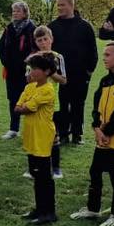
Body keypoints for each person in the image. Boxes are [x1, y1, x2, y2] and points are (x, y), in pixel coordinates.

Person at [70, 42, 114, 226]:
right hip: (102, 138)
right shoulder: (105, 81)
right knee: (95, 171)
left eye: (108, 55)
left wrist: (107, 131)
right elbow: (96, 107)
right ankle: (93, 208)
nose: (104, 58)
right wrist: (97, 127)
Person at [48, 0, 97, 146]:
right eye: (58, 5)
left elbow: (93, 50)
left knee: (78, 105)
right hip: (59, 75)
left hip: (80, 74)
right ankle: (63, 134)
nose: (59, 8)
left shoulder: (85, 26)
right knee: (62, 105)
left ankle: (77, 134)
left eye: (62, 5)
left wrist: (89, 71)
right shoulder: (52, 27)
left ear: (71, 5)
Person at [15, 52, 59, 225]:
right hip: (31, 135)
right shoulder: (30, 87)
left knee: (44, 176)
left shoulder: (48, 89)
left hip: (42, 136)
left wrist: (23, 107)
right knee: (35, 173)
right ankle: (40, 208)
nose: (31, 72)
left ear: (47, 71)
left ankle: (49, 212)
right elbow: (17, 107)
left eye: (35, 68)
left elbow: (26, 108)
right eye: (30, 68)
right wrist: (23, 107)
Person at [31, 24, 67, 179]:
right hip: (35, 103)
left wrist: (49, 71)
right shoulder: (33, 58)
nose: (43, 43)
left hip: (52, 104)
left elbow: (63, 80)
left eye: (45, 39)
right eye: (39, 40)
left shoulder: (58, 57)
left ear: (51, 39)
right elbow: (28, 80)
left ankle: (56, 168)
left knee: (53, 136)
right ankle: (34, 168)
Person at [0, 1, 37, 139]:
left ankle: (31, 128)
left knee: (30, 99)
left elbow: (35, 48)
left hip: (27, 71)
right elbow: (1, 46)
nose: (15, 13)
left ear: (25, 13)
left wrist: (28, 62)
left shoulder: (31, 28)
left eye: (18, 11)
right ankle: (14, 129)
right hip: (11, 71)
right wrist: (5, 61)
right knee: (13, 99)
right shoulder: (9, 28)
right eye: (13, 11)